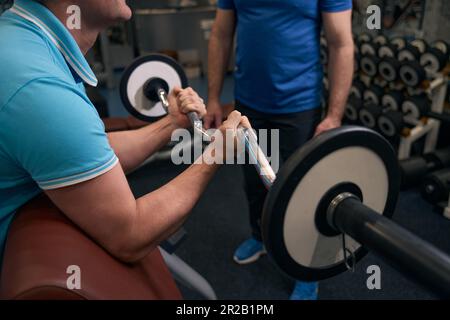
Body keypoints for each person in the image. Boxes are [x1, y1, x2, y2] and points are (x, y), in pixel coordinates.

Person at [0, 0, 249, 268]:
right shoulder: (39, 85)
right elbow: (130, 234)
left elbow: (88, 151)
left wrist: (173, 123)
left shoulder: (26, 42)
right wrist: (217, 152)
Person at [205, 0, 354, 300]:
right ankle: (260, 236)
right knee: (255, 181)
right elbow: (221, 34)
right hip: (248, 101)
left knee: (304, 191)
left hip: (299, 105)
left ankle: (307, 268)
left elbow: (341, 44)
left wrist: (334, 115)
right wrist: (213, 98)